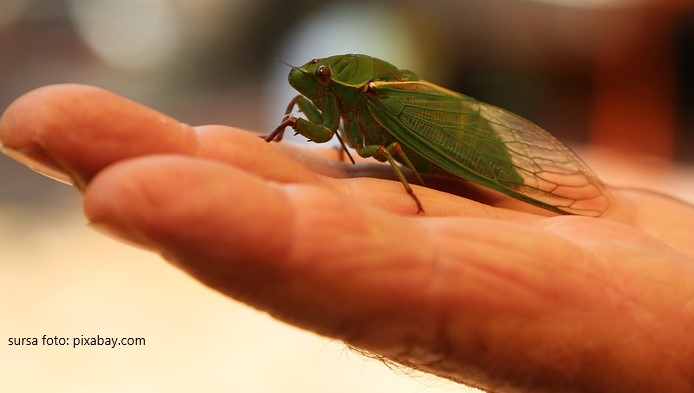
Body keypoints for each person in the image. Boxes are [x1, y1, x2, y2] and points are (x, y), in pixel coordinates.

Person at [2, 84, 693, 393]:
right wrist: (280, 138)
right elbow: (312, 116)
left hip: (457, 142)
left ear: (353, 90)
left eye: (327, 84)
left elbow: (374, 141)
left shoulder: (373, 105)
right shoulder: (330, 105)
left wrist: (418, 183)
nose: (312, 97)